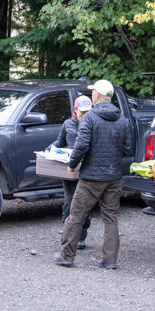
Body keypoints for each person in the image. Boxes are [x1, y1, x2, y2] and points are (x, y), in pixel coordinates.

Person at [54, 79, 133, 269]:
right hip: (113, 177)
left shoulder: (89, 118)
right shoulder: (123, 120)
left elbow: (81, 146)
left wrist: (72, 165)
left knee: (76, 215)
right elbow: (128, 148)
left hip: (91, 178)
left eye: (93, 93)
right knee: (111, 218)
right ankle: (109, 260)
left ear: (97, 95)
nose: (92, 95)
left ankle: (67, 256)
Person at [52, 95, 93, 249]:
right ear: (74, 110)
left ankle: (81, 237)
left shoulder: (93, 123)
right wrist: (51, 148)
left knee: (84, 203)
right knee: (69, 202)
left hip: (87, 169)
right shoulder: (67, 124)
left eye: (88, 112)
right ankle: (67, 234)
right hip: (69, 169)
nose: (85, 115)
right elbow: (60, 142)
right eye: (82, 112)